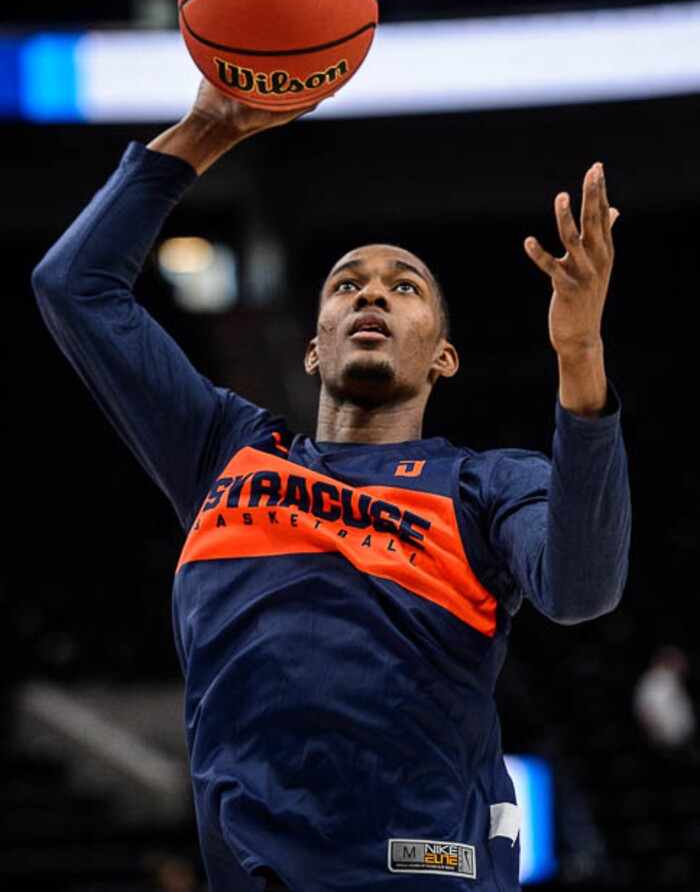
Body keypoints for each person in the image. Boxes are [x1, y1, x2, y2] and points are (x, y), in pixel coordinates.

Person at [31, 78, 632, 892]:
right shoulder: (227, 451)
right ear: (315, 348)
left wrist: (581, 356)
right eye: (347, 284)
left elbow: (582, 587)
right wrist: (207, 128)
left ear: (441, 357)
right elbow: (74, 287)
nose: (373, 292)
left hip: (421, 873)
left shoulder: (483, 484)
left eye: (405, 286)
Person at [632, 644, 697, 757]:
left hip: (677, 744)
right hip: (668, 747)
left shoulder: (670, 681)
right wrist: (662, 739)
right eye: (679, 661)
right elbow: (648, 711)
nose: (684, 665)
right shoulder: (658, 682)